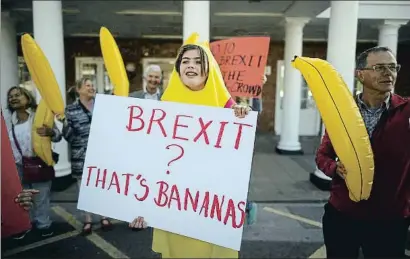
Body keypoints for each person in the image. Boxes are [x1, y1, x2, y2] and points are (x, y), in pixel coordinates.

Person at [128, 40, 252, 258]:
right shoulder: (164, 106)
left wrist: (243, 112)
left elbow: (239, 145)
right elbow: (151, 160)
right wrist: (141, 207)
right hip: (175, 203)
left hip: (210, 205)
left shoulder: (225, 104)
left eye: (197, 61)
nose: (190, 65)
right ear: (178, 69)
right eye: (185, 61)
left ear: (208, 68)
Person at [316, 46, 410, 258]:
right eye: (379, 67)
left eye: (393, 67)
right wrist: (334, 168)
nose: (388, 73)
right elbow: (323, 155)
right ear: (360, 74)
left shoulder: (406, 112)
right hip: (342, 215)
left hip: (390, 220)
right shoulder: (342, 112)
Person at [6, 86, 62, 238]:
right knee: (22, 198)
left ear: (28, 98)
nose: (14, 98)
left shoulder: (39, 116)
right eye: (11, 96)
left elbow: (57, 136)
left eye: (18, 95)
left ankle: (43, 225)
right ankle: (25, 225)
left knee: (41, 197)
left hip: (39, 163)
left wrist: (50, 132)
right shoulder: (8, 120)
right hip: (17, 166)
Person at [60, 78, 113, 235]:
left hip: (101, 153)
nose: (91, 88)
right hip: (81, 155)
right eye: (87, 85)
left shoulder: (102, 105)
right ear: (78, 90)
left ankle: (104, 217)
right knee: (84, 189)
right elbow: (69, 137)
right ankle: (88, 220)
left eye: (92, 85)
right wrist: (64, 124)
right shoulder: (70, 110)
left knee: (102, 186)